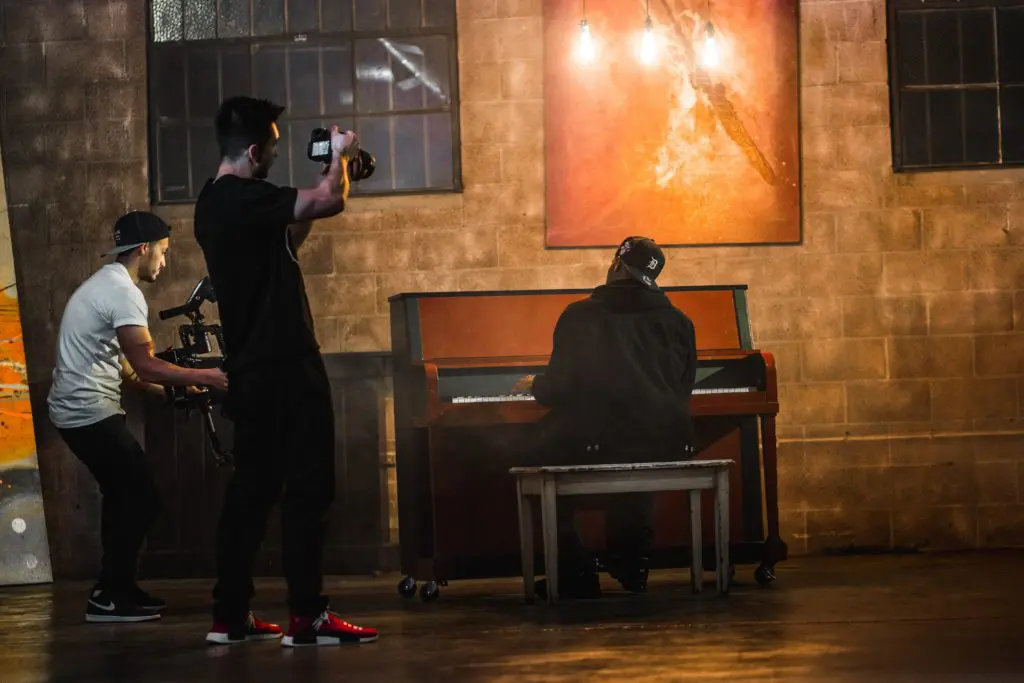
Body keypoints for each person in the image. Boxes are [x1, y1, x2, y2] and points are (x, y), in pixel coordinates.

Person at [193, 96, 378, 647]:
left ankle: (229, 616)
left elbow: (291, 231)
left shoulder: (213, 203)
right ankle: (308, 616)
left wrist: (338, 181)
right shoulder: (246, 198)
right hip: (288, 365)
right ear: (253, 151)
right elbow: (326, 201)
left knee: (251, 492)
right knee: (310, 488)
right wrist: (337, 160)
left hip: (252, 370)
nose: (275, 154)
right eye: (271, 147)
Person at [47, 210, 229, 623]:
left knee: (124, 495)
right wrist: (211, 376)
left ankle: (115, 590)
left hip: (80, 410)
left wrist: (179, 385)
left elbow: (128, 369)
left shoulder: (106, 284)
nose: (164, 262)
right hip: (86, 412)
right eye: (162, 251)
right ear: (144, 249)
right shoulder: (124, 292)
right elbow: (146, 365)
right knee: (142, 499)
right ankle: (109, 595)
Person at [515, 236, 698, 599]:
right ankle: (633, 563)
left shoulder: (580, 315)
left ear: (616, 264)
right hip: (668, 440)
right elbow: (683, 388)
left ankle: (576, 572)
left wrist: (535, 384)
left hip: (595, 440)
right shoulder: (679, 321)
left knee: (528, 457)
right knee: (637, 451)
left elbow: (563, 389)